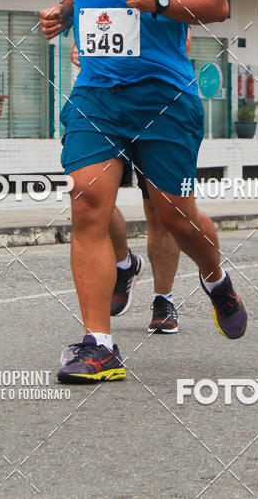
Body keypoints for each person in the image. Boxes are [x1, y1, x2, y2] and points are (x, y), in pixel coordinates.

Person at [39, 0, 247, 384]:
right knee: (87, 200)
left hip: (163, 95)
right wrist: (62, 13)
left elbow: (216, 3)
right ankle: (99, 345)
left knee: (175, 216)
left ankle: (215, 276)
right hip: (97, 92)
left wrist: (159, 0)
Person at [71, 35, 192, 334]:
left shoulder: (161, 3)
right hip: (101, 106)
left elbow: (183, 43)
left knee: (161, 211)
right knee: (91, 198)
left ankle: (163, 299)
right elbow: (78, 37)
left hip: (156, 108)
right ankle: (124, 263)